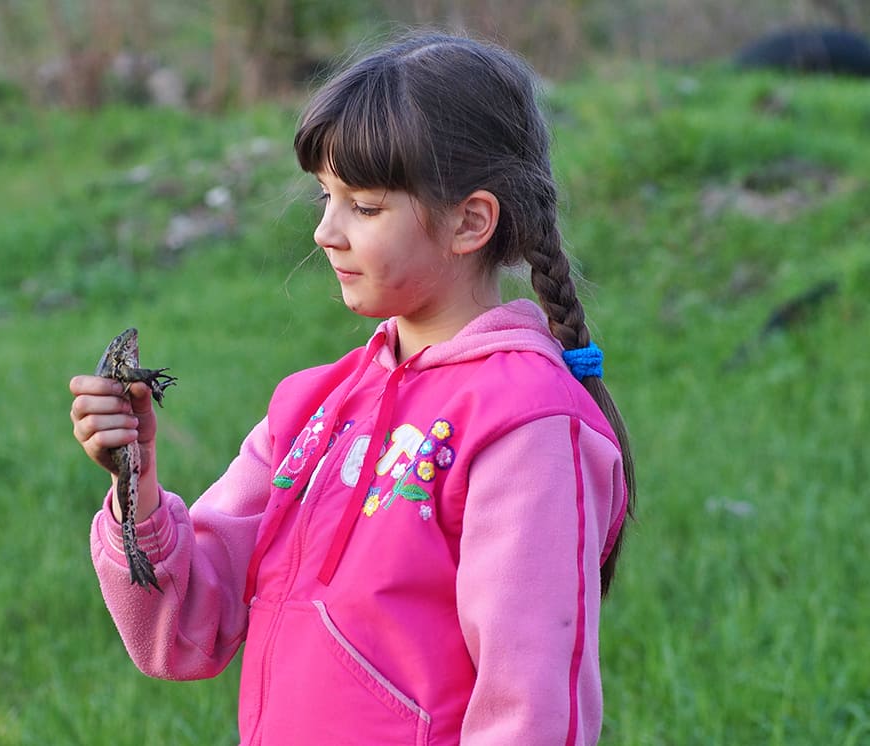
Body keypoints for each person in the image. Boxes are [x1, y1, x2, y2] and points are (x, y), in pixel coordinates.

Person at [70, 31, 635, 745]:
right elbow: (184, 631)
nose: (325, 232)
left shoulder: (524, 422)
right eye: (325, 197)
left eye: (363, 207)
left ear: (471, 221)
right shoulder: (310, 408)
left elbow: (531, 706)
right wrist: (135, 487)